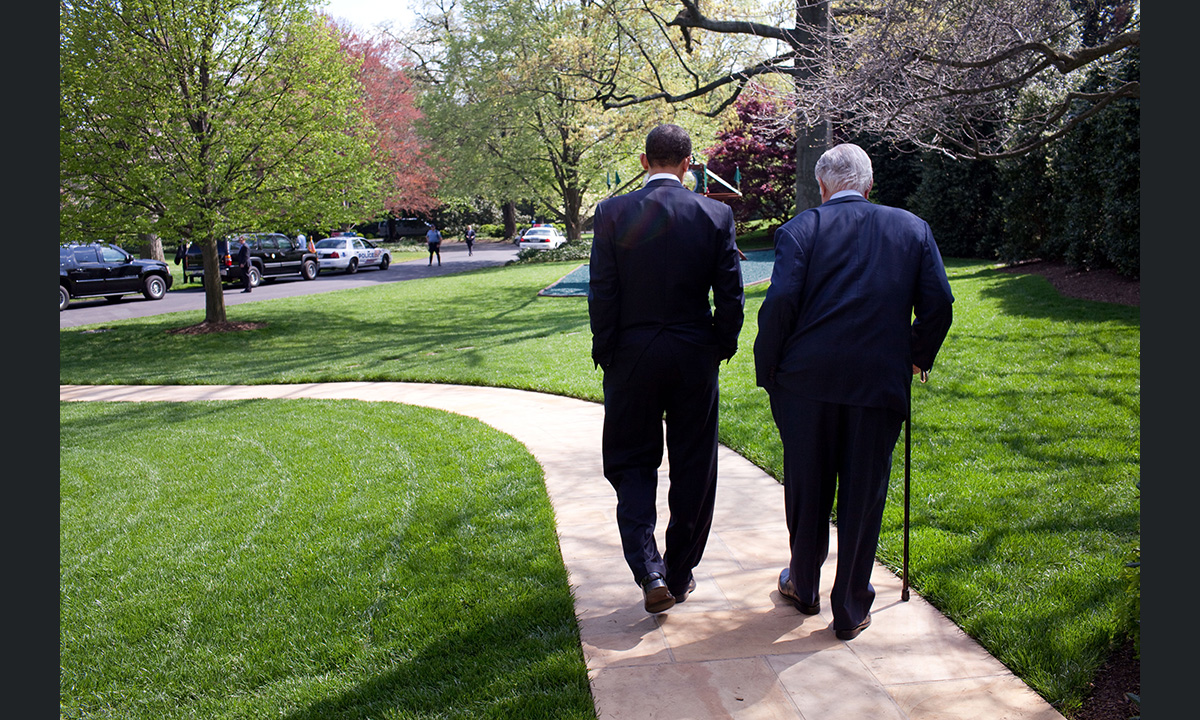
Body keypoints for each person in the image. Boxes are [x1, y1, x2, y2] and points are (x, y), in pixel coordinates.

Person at [753, 143, 954, 640]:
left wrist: (769, 368)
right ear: (869, 184)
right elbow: (940, 304)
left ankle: (803, 584)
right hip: (877, 382)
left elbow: (779, 305)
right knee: (864, 493)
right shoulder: (913, 228)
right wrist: (914, 355)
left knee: (807, 487)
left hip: (805, 384)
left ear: (823, 188)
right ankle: (849, 607)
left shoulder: (800, 229)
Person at [588, 123, 745, 614]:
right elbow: (732, 293)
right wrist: (719, 344)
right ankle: (678, 572)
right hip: (693, 355)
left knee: (632, 463)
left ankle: (648, 567)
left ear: (642, 161)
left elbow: (603, 290)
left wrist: (607, 348)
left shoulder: (612, 212)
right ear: (687, 165)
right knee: (695, 464)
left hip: (632, 356)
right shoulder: (715, 213)